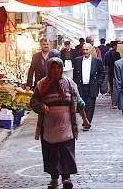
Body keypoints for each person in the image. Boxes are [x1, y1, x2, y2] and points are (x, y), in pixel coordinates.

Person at [30, 58, 90, 189]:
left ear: (62, 69)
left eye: (58, 68)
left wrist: (85, 120)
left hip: (67, 125)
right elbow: (33, 102)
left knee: (66, 152)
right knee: (51, 152)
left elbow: (79, 103)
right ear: (48, 69)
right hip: (49, 126)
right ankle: (54, 177)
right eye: (53, 68)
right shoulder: (41, 85)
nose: (56, 70)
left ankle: (66, 178)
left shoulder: (69, 84)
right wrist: (41, 106)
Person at [73, 43, 105, 125]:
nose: (85, 51)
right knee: (82, 105)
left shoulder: (97, 61)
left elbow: (102, 73)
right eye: (83, 49)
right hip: (81, 86)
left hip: (92, 86)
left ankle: (87, 122)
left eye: (87, 49)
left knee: (90, 106)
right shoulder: (77, 60)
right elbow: (75, 74)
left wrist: (99, 82)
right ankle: (85, 120)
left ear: (90, 50)